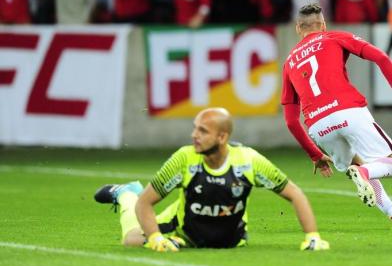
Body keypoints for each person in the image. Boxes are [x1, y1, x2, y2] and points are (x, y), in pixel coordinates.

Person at [94, 107, 329, 252]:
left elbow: (294, 193)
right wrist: (155, 237)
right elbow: (144, 203)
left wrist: (313, 237)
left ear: (222, 136)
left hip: (231, 240)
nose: (194, 135)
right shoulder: (184, 159)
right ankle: (125, 193)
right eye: (195, 128)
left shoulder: (249, 161)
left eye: (203, 131)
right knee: (132, 240)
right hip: (184, 228)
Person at [281, 3, 392, 218]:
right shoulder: (333, 37)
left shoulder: (289, 63)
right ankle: (365, 172)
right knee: (380, 163)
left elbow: (291, 121)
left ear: (298, 28)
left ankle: (389, 210)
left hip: (318, 126)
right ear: (323, 25)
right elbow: (381, 58)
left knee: (359, 162)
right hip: (348, 111)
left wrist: (315, 155)